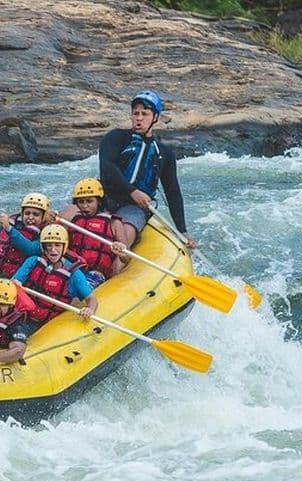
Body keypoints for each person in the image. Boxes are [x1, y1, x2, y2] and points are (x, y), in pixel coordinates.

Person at [98, 90, 197, 249]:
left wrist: (182, 230)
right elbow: (107, 167)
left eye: (145, 114)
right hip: (104, 199)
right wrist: (132, 191)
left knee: (121, 240)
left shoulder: (163, 153)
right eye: (135, 113)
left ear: (155, 118)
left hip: (134, 208)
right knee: (70, 212)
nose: (139, 118)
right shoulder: (116, 137)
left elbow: (172, 192)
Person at [12, 224, 98, 327]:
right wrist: (15, 283)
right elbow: (13, 282)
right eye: (49, 245)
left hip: (50, 322)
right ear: (43, 247)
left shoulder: (74, 274)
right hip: (25, 314)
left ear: (64, 247)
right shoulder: (33, 261)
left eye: (57, 245)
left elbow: (91, 299)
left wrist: (89, 309)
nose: (53, 250)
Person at [60, 178, 130, 288]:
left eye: (89, 201)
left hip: (96, 274)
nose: (84, 205)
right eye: (81, 201)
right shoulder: (73, 220)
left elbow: (127, 257)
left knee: (78, 291)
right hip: (72, 268)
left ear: (99, 201)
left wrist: (121, 253)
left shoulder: (113, 223)